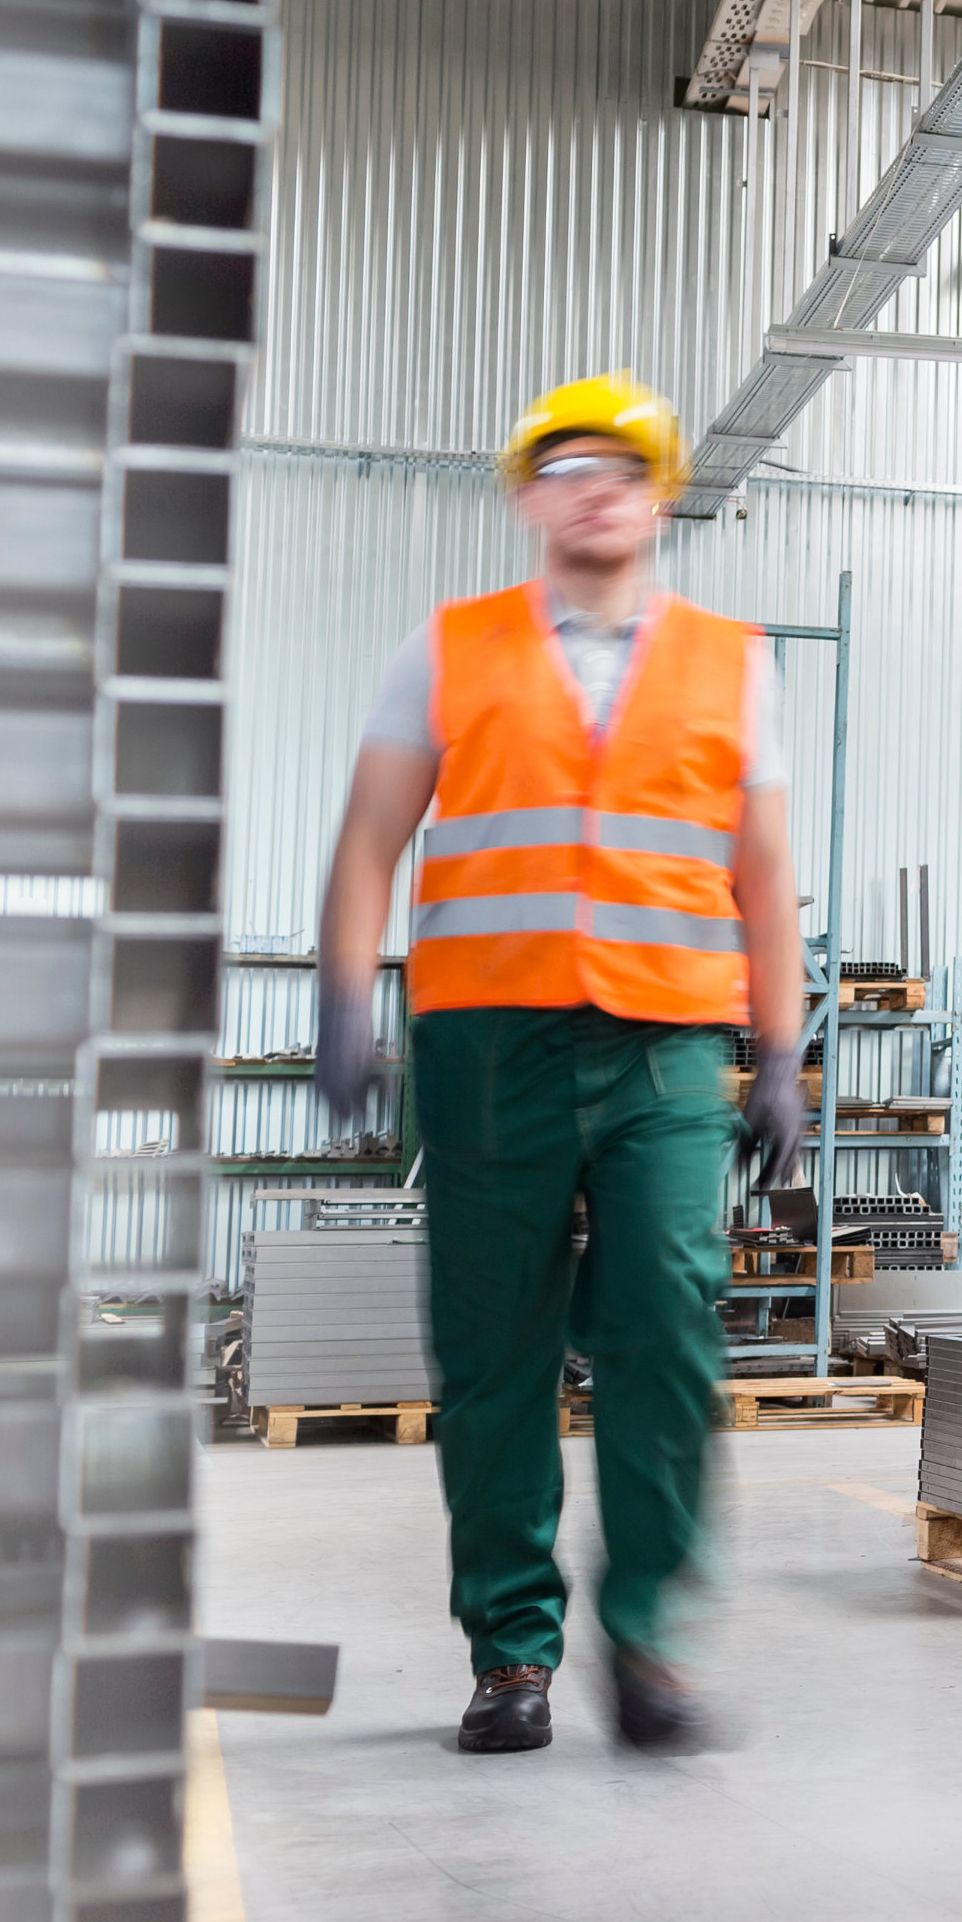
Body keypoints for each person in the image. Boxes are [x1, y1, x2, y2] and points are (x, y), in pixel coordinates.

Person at [315, 375, 805, 1757]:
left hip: (665, 1044)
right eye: (567, 463)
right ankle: (511, 1651)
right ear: (529, 496)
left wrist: (783, 1045)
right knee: (493, 1351)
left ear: (661, 498)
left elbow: (763, 869)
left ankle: (645, 1636)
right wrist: (345, 994)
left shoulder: (731, 659)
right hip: (485, 1043)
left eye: (625, 466)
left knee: (665, 1316)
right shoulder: (448, 646)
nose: (597, 485)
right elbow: (370, 839)